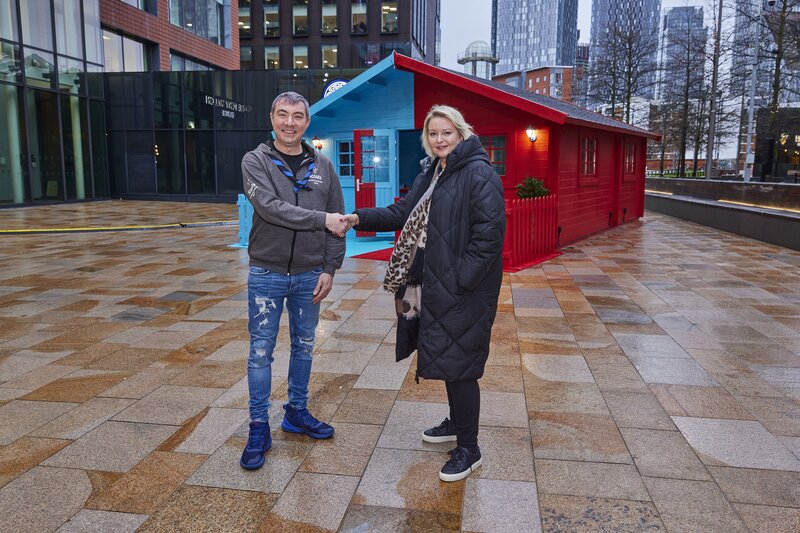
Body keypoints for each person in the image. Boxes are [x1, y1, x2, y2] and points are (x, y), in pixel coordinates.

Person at [344, 105, 506, 482]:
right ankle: (456, 424)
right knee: (451, 358)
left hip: (464, 291)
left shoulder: (479, 174)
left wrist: (459, 281)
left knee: (462, 367)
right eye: (433, 134)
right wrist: (357, 218)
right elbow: (403, 211)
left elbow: (489, 239)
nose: (439, 139)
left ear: (461, 132)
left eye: (446, 132)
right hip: (435, 284)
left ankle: (470, 448)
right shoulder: (434, 171)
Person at [239, 91, 349, 470]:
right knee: (260, 352)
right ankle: (258, 426)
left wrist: (330, 269)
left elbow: (339, 221)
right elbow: (271, 208)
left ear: (307, 122)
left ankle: (296, 412)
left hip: (308, 275)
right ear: (272, 117)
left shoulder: (324, 165)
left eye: (298, 116)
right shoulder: (255, 161)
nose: (290, 122)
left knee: (304, 347)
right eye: (283, 114)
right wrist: (322, 221)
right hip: (266, 272)